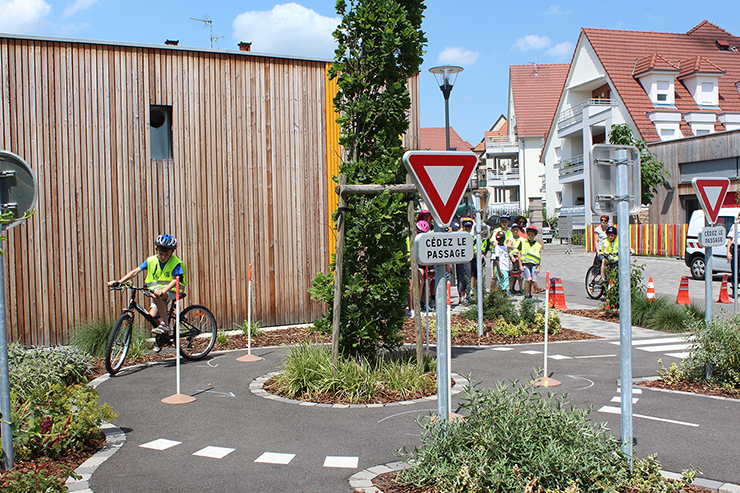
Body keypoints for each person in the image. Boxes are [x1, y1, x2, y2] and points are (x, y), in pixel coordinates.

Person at [108, 234, 186, 351]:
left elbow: (176, 280)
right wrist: (119, 281)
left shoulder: (176, 263)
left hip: (173, 291)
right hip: (157, 293)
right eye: (160, 253)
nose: (163, 256)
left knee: (157, 296)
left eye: (166, 254)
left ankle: (165, 324)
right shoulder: (151, 260)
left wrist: (163, 291)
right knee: (152, 316)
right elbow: (135, 271)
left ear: (172, 252)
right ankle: (161, 338)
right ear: (156, 250)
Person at [514, 225, 543, 299]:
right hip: (525, 264)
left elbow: (539, 257)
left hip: (534, 265)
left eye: (532, 234)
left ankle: (530, 295)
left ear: (535, 235)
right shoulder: (523, 242)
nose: (530, 236)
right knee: (528, 280)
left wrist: (539, 267)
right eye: (529, 234)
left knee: (533, 280)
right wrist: (520, 265)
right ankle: (526, 295)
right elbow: (519, 254)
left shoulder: (537, 245)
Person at [457, 217, 474, 304]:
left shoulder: (471, 236)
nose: (468, 229)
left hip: (468, 259)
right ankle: (461, 297)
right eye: (466, 227)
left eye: (469, 227)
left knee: (468, 276)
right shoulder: (459, 234)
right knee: (461, 278)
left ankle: (467, 296)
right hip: (460, 259)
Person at [726, 212, 740, 297]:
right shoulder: (735, 226)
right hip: (737, 248)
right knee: (735, 270)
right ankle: (734, 289)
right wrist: (728, 251)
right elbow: (730, 239)